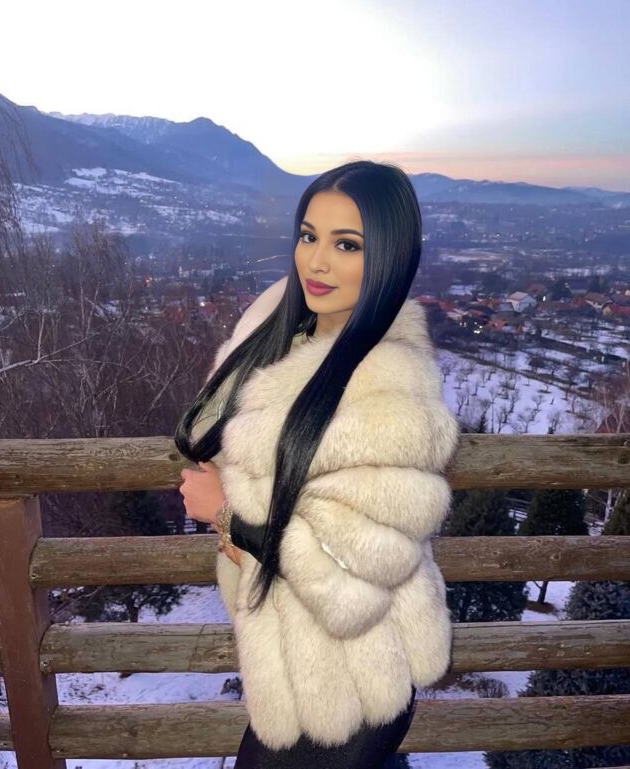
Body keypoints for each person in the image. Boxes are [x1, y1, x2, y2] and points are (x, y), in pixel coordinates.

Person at [175, 159, 460, 768]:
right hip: (301, 667)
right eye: (309, 236)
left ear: (389, 258)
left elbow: (350, 586)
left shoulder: (388, 390)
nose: (317, 262)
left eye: (347, 244)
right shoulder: (291, 340)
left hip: (354, 684)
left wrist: (226, 516)